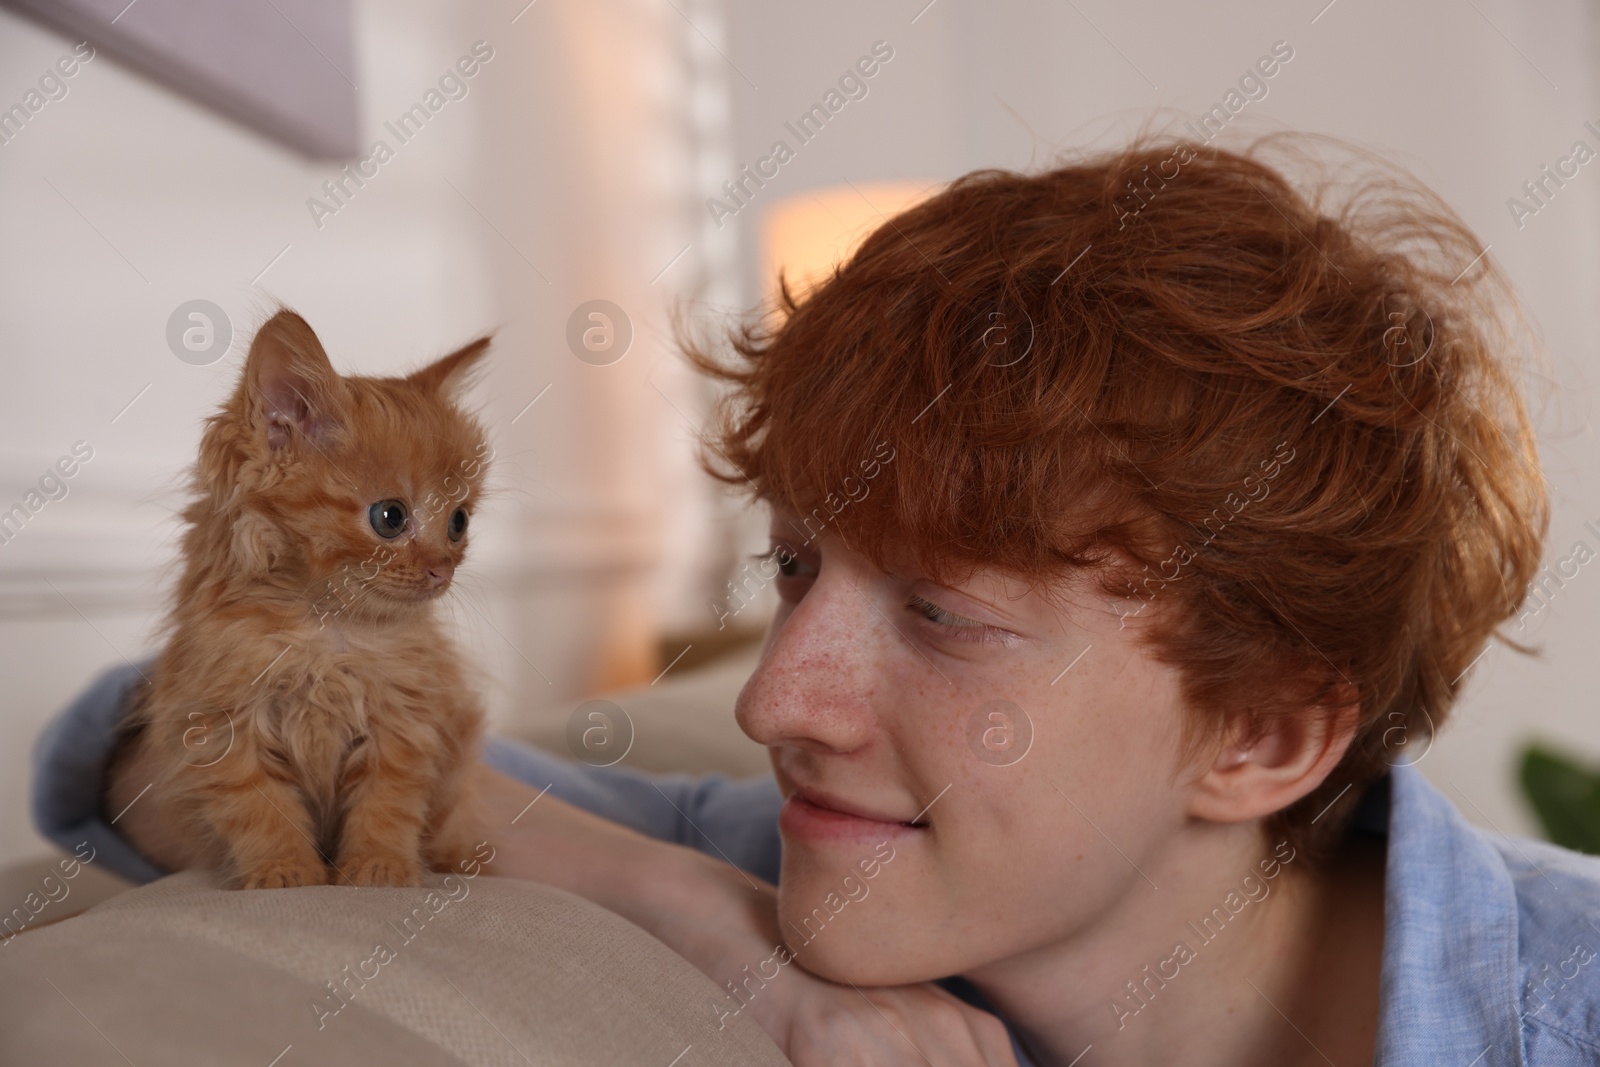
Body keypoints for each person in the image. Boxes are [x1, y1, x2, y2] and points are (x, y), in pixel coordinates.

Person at [33, 135, 1600, 1067]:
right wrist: (704, 920)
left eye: (941, 614)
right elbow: (142, 749)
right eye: (794, 568)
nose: (777, 702)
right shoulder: (787, 868)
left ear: (1261, 736)